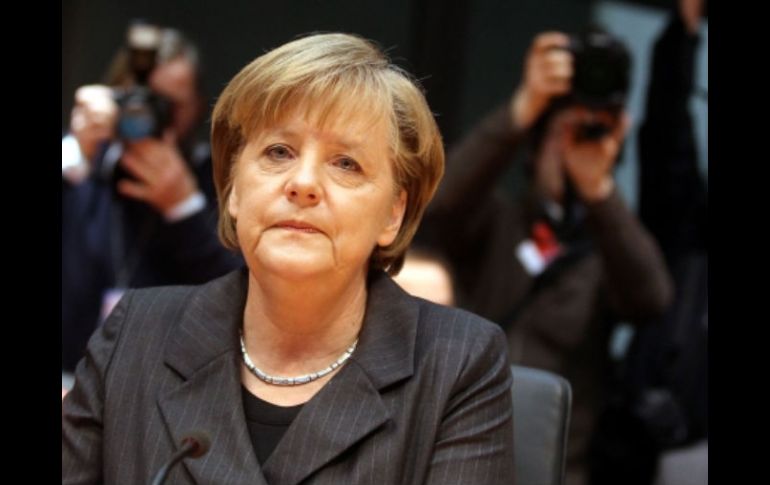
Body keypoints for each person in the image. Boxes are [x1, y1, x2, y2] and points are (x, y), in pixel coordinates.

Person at [62, 32, 514, 484]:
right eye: (279, 152)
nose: (303, 183)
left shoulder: (457, 363)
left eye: (346, 163)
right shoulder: (134, 334)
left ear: (393, 214)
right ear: (234, 189)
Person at [423, 30, 673, 485]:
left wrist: (599, 190)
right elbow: (436, 207)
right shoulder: (497, 221)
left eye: (587, 133)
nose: (569, 148)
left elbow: (652, 299)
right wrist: (523, 108)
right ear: (536, 146)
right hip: (465, 455)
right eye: (561, 132)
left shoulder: (608, 249)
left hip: (559, 467)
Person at [61, 23, 242, 372]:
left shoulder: (218, 181)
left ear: (198, 107)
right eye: (139, 100)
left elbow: (238, 293)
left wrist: (184, 208)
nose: (149, 115)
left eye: (169, 105)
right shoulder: (81, 166)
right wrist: (75, 152)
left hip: (152, 384)